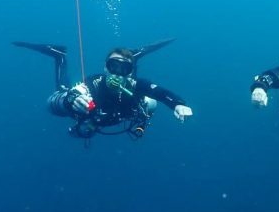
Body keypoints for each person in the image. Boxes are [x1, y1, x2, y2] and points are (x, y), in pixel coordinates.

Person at [14, 39, 193, 139]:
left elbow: (159, 92)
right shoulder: (93, 84)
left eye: (125, 69)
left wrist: (177, 104)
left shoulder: (136, 85)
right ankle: (59, 56)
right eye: (113, 66)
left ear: (130, 73)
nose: (117, 74)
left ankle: (133, 56)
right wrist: (70, 100)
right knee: (60, 90)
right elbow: (53, 102)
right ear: (105, 68)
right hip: (94, 110)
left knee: (151, 103)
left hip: (123, 109)